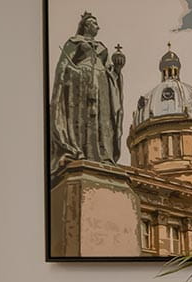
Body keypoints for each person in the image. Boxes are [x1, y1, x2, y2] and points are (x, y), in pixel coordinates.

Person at [48, 11, 126, 171]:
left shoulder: (102, 47)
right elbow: (63, 65)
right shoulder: (74, 42)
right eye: (94, 23)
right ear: (86, 26)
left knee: (103, 118)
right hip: (81, 84)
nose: (98, 26)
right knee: (84, 118)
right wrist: (70, 76)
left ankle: (104, 156)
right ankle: (83, 151)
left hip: (102, 82)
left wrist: (117, 69)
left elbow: (109, 70)